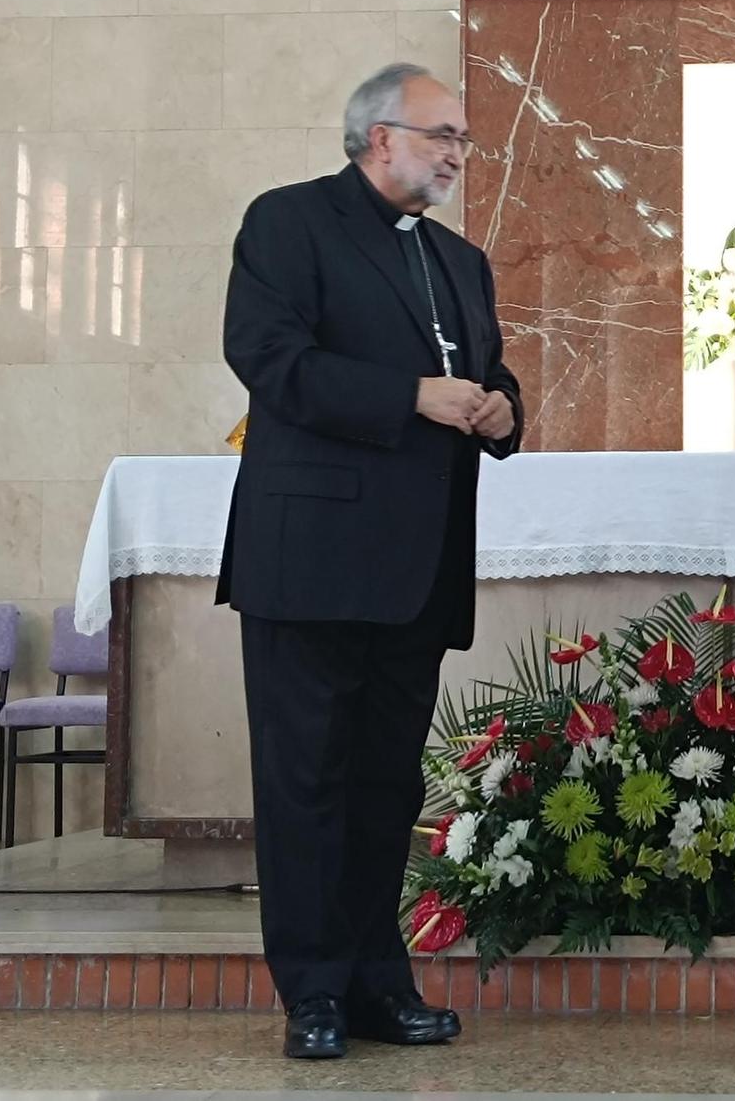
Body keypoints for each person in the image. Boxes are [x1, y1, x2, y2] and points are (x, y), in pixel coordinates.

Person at [219, 63, 523, 1059]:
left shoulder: (458, 258)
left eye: (463, 141)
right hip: (309, 559)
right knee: (305, 780)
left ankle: (376, 980)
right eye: (442, 135)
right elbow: (269, 359)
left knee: (386, 785)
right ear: (377, 136)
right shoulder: (288, 223)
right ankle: (310, 991)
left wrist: (500, 407)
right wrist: (410, 397)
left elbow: (488, 363)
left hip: (415, 567)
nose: (455, 154)